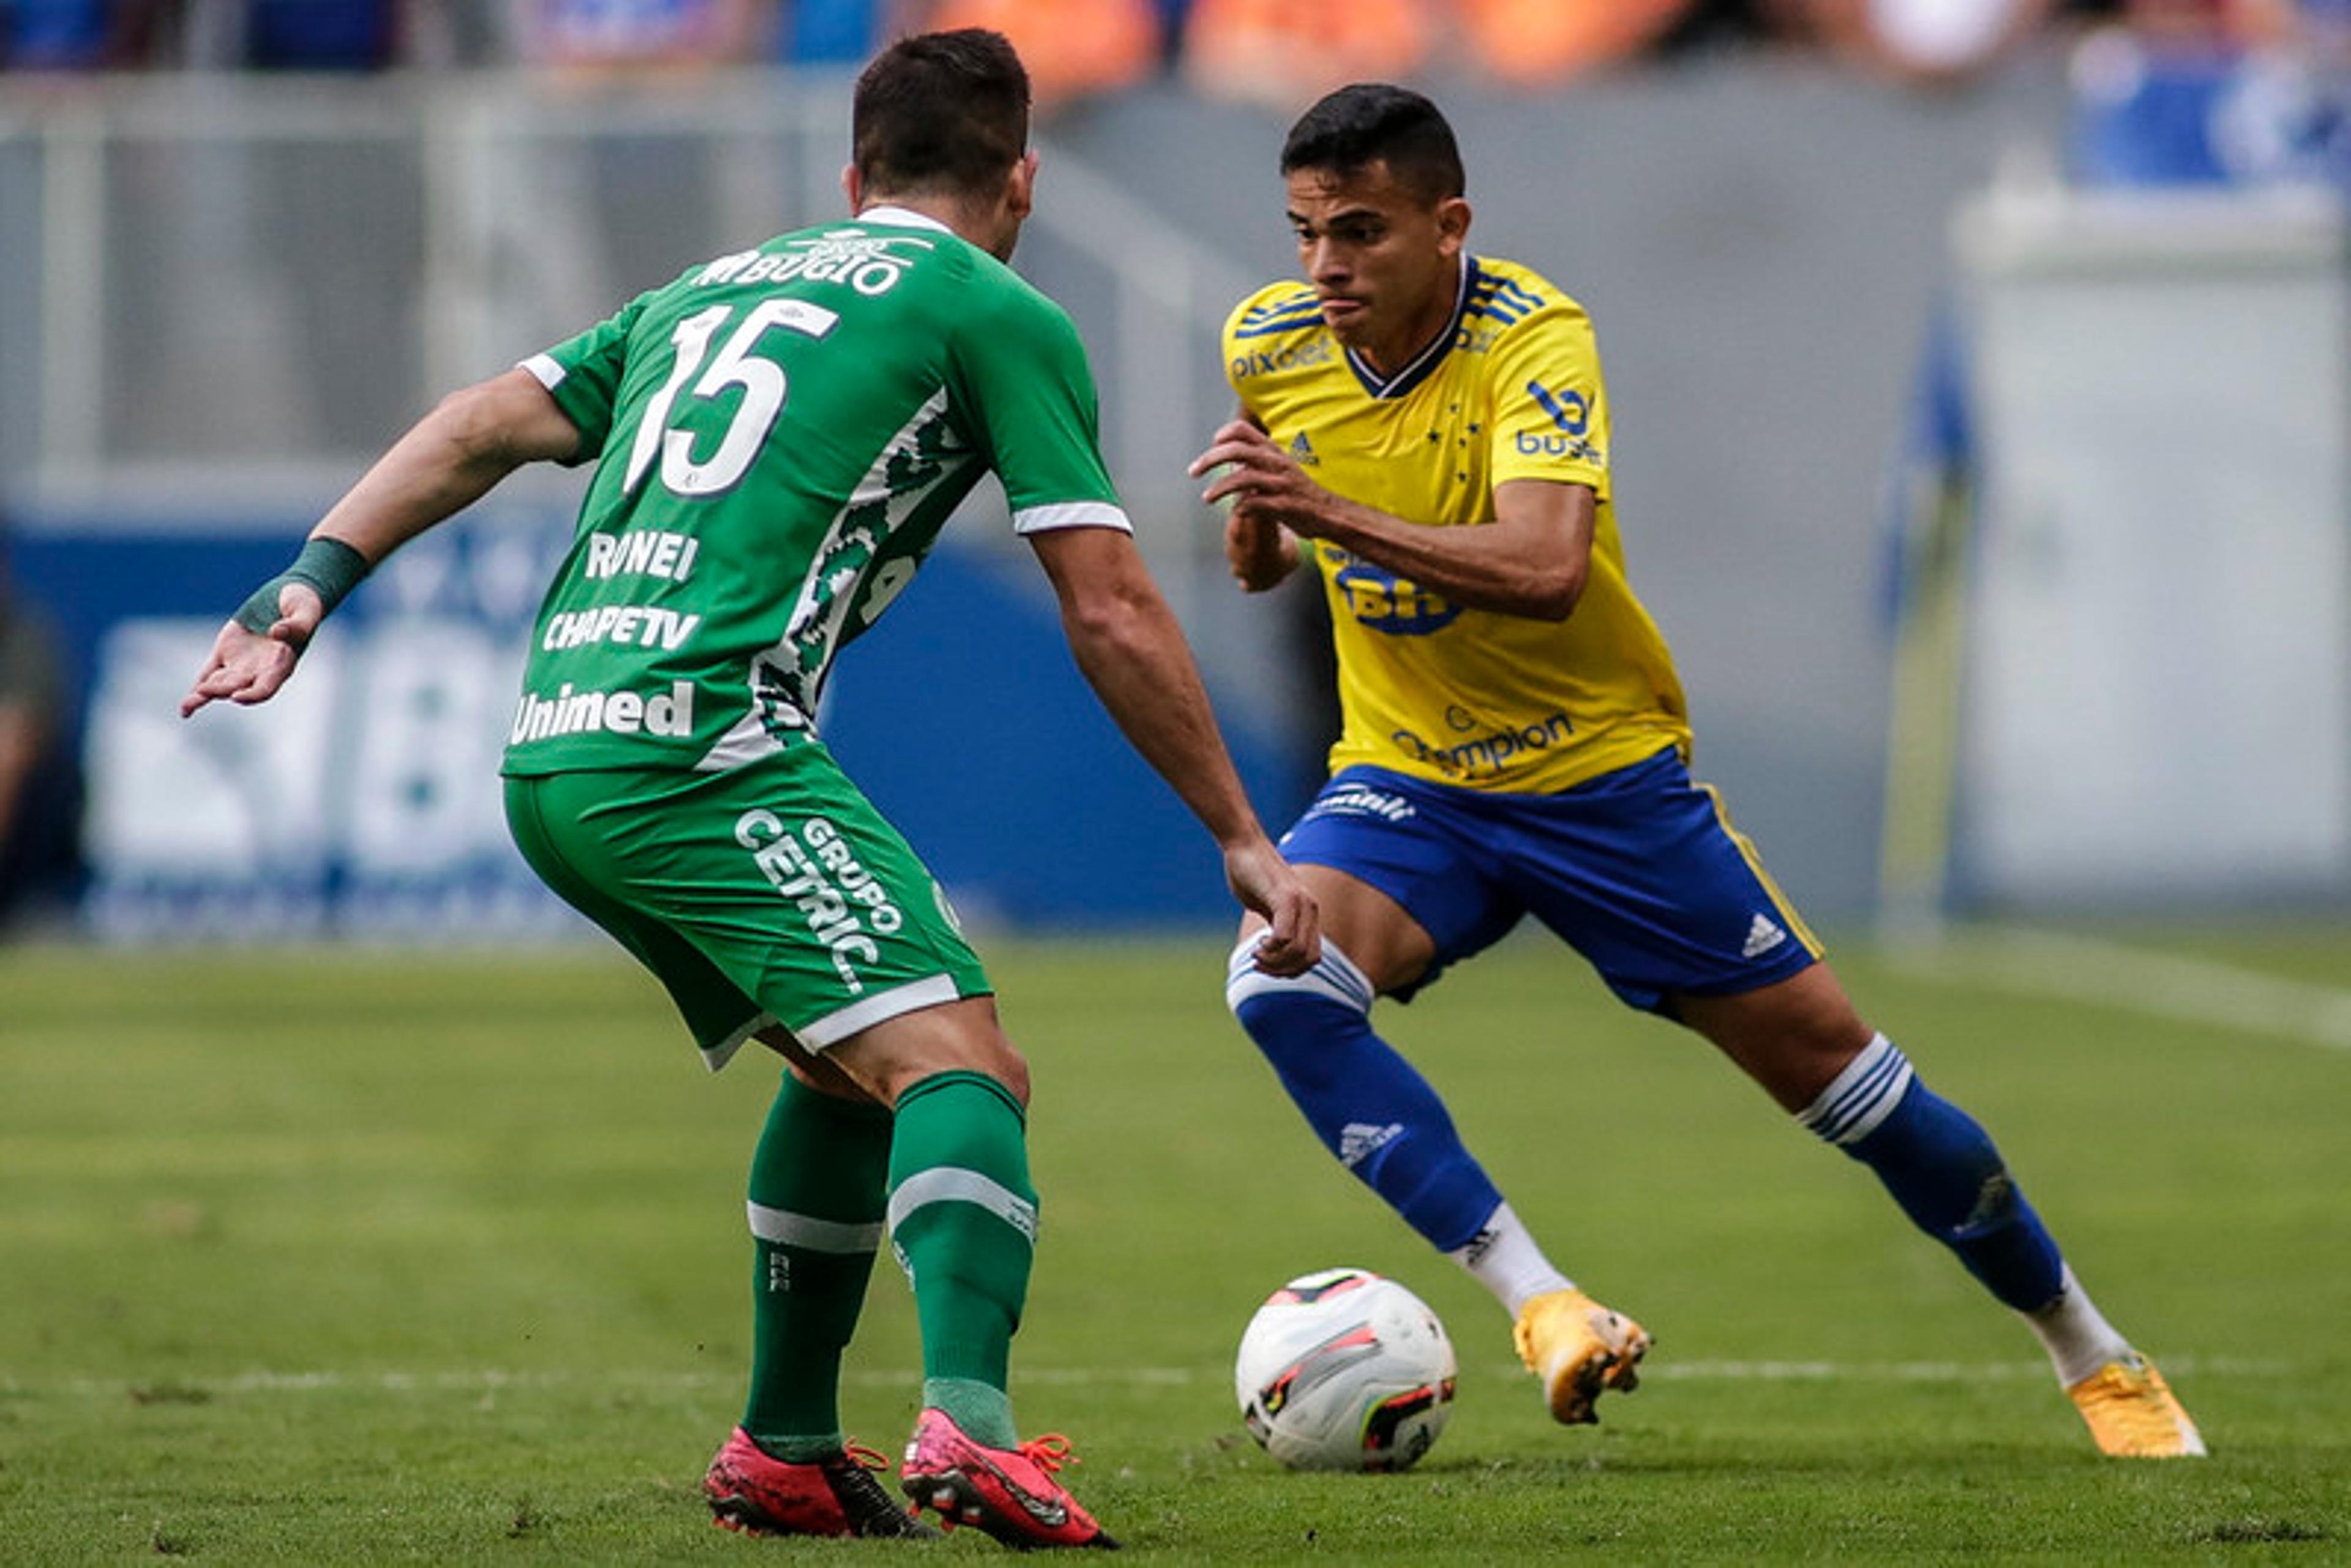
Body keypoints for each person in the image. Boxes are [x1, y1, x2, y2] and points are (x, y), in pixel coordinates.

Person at [182, 28, 1319, 1548]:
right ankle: (970, 1428)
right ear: (1024, 183)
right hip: (700, 739)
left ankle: (783, 1447)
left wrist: (305, 588)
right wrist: (1240, 832)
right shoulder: (996, 309)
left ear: (852, 180)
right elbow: (1109, 604)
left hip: (558, 742)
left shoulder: (704, 290)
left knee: (844, 1062)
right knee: (961, 1064)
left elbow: (473, 425)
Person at [1190, 82, 2204, 1460]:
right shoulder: (1274, 340)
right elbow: (1273, 553)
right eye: (1307, 232)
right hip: (1412, 781)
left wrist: (1322, 508)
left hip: (1603, 781)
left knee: (1859, 1094)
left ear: (1449, 224)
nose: (1325, 267)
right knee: (1278, 980)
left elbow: (1547, 571)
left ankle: (2093, 1353)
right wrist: (1264, 524)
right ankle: (1543, 1304)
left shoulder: (1533, 336)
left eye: (1360, 232)